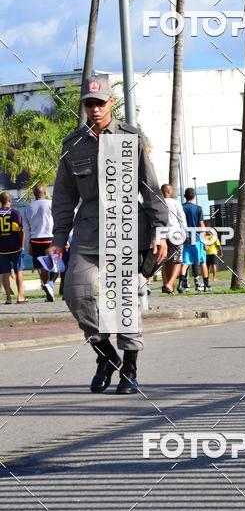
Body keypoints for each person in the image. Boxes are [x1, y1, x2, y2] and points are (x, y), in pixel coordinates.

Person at [47, 79, 168, 394]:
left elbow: (151, 189)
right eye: (90, 103)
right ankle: (106, 355)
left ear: (111, 102)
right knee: (76, 293)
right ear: (84, 105)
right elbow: (63, 196)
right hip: (87, 229)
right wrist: (59, 237)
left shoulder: (129, 138)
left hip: (125, 226)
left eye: (100, 102)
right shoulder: (73, 144)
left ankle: (129, 369)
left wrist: (159, 230)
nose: (95, 108)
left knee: (122, 302)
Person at [23, 184, 57, 302]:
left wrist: (29, 244)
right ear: (45, 193)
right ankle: (50, 285)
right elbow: (57, 220)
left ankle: (48, 286)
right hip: (50, 238)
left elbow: (26, 229)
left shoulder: (28, 208)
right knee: (55, 263)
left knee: (42, 266)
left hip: (36, 239)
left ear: (34, 194)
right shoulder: (51, 204)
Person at [179, 187, 211, 293]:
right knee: (202, 261)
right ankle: (206, 285)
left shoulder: (181, 207)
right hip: (197, 238)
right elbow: (201, 225)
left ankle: (182, 284)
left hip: (185, 238)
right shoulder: (198, 208)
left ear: (185, 196)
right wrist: (205, 239)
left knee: (186, 262)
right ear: (194, 196)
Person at [160, 184, 187, 295]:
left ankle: (167, 284)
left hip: (162, 235)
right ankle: (170, 284)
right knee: (177, 261)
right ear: (169, 191)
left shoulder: (158, 202)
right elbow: (182, 219)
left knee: (166, 261)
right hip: (175, 234)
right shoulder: (175, 202)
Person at [0, 191, 26, 304]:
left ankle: (8, 298)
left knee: (5, 273)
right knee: (18, 270)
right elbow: (22, 231)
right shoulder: (15, 213)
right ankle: (20, 297)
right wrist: (22, 245)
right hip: (15, 247)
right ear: (10, 201)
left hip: (1, 248)